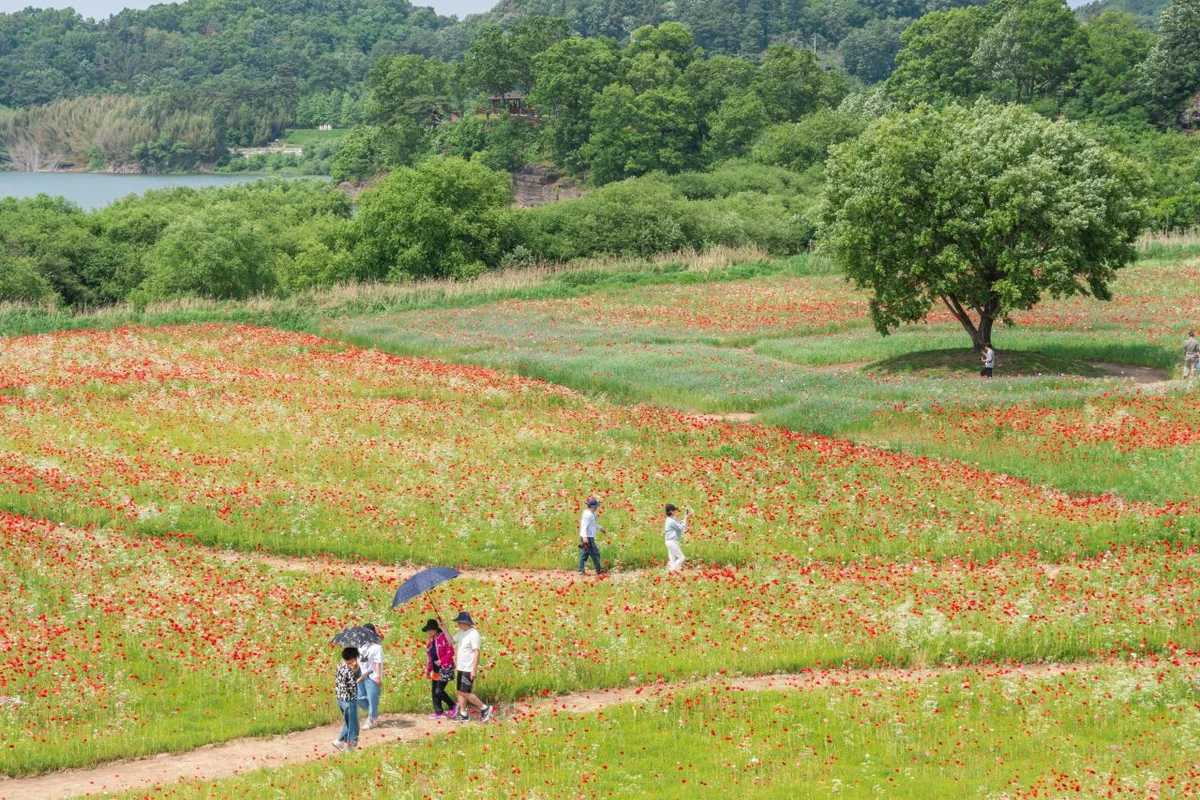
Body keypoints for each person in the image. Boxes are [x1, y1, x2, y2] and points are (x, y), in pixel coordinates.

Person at [448, 611, 493, 723]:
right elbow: (450, 641)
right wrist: (443, 626)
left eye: (459, 622)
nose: (458, 624)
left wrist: (474, 670)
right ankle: (463, 714)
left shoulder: (474, 634)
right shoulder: (461, 633)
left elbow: (476, 652)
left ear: (464, 623)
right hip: (461, 667)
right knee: (460, 692)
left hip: (468, 668)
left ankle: (485, 708)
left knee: (465, 692)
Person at [333, 646, 367, 752]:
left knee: (349, 722)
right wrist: (361, 677)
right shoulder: (349, 671)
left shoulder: (339, 666)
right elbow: (352, 687)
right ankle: (350, 747)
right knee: (354, 726)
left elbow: (343, 682)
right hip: (349, 700)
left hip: (340, 699)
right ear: (352, 659)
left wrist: (354, 671)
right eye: (355, 658)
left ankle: (339, 741)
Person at [422, 618, 457, 719]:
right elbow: (430, 658)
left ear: (436, 629)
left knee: (439, 691)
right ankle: (438, 712)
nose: (428, 632)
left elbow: (451, 652)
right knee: (434, 691)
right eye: (427, 630)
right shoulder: (431, 642)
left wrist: (441, 661)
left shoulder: (443, 638)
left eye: (430, 629)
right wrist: (428, 670)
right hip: (435, 670)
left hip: (445, 668)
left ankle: (453, 705)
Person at [356, 623, 384, 730]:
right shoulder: (360, 646)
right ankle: (372, 711)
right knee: (358, 696)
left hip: (372, 676)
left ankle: (371, 719)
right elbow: (358, 662)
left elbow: (378, 662)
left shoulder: (377, 647)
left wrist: (378, 677)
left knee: (372, 698)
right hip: (361, 675)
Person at [578, 496, 604, 575]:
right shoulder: (588, 515)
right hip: (587, 538)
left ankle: (581, 570)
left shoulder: (591, 514)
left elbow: (593, 524)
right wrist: (584, 537)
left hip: (588, 537)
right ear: (592, 507)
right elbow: (584, 526)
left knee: (585, 554)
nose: (596, 508)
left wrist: (601, 528)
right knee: (595, 554)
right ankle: (598, 570)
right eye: (595, 506)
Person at [663, 503, 688, 573]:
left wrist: (685, 518)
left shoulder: (670, 520)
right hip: (672, 541)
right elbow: (681, 528)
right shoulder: (671, 521)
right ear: (671, 511)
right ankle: (671, 570)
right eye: (674, 510)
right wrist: (686, 518)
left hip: (671, 541)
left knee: (672, 560)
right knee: (682, 557)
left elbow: (679, 523)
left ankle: (672, 574)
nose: (675, 512)